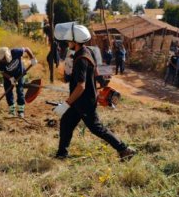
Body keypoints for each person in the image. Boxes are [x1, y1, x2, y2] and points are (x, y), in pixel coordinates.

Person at [52, 22, 135, 161]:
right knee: (66, 123)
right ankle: (61, 154)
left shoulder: (81, 59)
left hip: (85, 102)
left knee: (97, 128)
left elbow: (81, 86)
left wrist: (66, 104)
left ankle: (124, 149)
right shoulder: (86, 51)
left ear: (76, 41)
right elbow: (95, 72)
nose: (67, 41)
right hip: (79, 100)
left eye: (69, 39)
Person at [0, 46, 37, 118]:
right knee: (8, 92)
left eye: (4, 59)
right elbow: (2, 72)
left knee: (20, 90)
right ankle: (12, 111)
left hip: (20, 74)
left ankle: (21, 111)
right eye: (2, 60)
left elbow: (27, 49)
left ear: (7, 56)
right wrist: (10, 79)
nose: (3, 61)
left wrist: (32, 58)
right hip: (8, 77)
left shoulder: (15, 52)